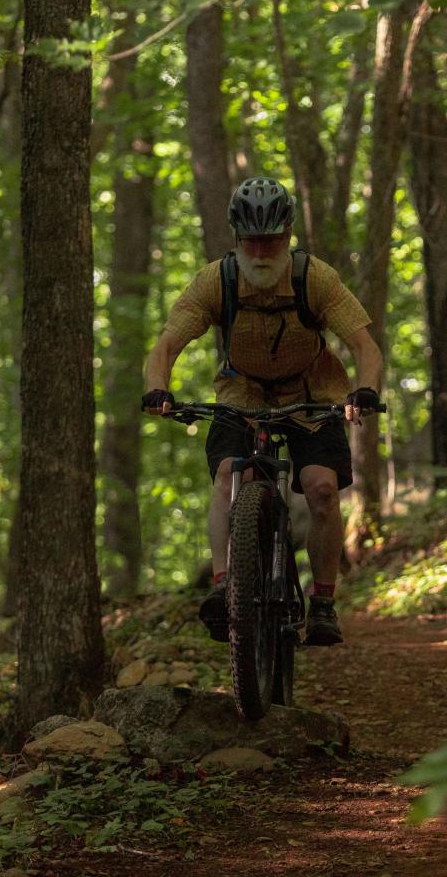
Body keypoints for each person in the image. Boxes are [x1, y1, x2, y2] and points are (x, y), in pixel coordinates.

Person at [141, 176, 383, 646]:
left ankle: (324, 604)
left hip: (312, 392)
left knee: (322, 489)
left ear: (288, 235)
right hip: (242, 393)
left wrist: (365, 391)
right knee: (231, 475)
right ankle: (226, 586)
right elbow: (167, 344)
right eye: (251, 241)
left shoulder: (315, 278)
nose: (261, 252)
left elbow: (364, 346)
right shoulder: (218, 280)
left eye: (271, 240)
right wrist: (158, 390)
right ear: (236, 238)